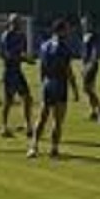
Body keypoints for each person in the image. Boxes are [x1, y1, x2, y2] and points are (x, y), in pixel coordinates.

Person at [28, 18, 78, 159]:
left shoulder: (44, 46)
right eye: (66, 29)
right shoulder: (64, 48)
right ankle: (54, 149)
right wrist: (74, 89)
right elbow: (68, 71)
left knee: (42, 117)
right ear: (60, 30)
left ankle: (33, 146)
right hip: (60, 85)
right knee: (57, 120)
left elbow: (41, 67)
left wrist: (43, 82)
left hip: (47, 83)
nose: (68, 32)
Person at [0, 13, 33, 137]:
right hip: (9, 72)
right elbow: (8, 55)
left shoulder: (22, 36)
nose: (17, 24)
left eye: (18, 22)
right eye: (15, 22)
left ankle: (28, 125)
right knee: (8, 101)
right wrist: (24, 59)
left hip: (18, 71)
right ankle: (3, 126)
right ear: (10, 23)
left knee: (27, 97)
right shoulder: (6, 36)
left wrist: (26, 58)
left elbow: (22, 52)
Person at [80, 16, 100, 121]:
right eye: (83, 24)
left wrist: (91, 64)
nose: (84, 26)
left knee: (87, 89)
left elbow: (95, 51)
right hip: (86, 64)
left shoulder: (93, 36)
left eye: (86, 23)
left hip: (91, 65)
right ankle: (94, 112)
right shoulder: (85, 35)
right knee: (89, 89)